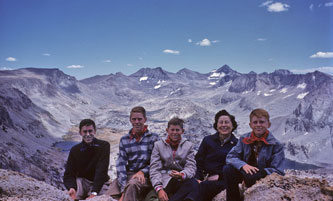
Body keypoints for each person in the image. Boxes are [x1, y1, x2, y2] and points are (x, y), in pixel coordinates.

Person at [223, 108, 285, 201]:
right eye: (255, 122)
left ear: (268, 124)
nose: (258, 125)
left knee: (251, 177)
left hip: (262, 174)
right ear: (250, 125)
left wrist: (262, 172)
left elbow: (279, 170)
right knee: (227, 169)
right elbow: (231, 156)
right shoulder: (244, 138)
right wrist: (243, 165)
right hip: (246, 171)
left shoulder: (276, 145)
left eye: (262, 122)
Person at [107, 106, 160, 201]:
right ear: (130, 120)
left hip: (146, 176)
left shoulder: (154, 138)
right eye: (134, 119)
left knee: (132, 185)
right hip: (129, 174)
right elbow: (121, 163)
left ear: (145, 119)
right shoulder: (124, 139)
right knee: (110, 193)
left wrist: (143, 172)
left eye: (139, 119)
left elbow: (157, 162)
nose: (136, 122)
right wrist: (123, 188)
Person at [149, 117, 198, 201]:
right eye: (172, 130)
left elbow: (191, 167)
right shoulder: (158, 145)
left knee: (193, 183)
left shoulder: (189, 146)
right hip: (163, 181)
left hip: (180, 180)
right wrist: (159, 188)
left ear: (182, 131)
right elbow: (154, 168)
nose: (175, 133)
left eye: (177, 130)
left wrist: (182, 175)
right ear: (167, 130)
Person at [195, 109, 238, 201]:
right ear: (216, 125)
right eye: (220, 122)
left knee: (205, 187)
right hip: (205, 178)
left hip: (224, 180)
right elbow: (199, 161)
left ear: (232, 125)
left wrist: (219, 176)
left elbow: (236, 167)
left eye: (227, 122)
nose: (223, 125)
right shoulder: (207, 140)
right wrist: (198, 178)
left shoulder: (237, 144)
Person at [63, 119, 110, 200]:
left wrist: (94, 192)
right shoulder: (75, 150)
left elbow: (101, 170)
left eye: (90, 131)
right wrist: (71, 187)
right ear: (80, 133)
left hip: (99, 182)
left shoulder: (104, 146)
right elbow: (69, 173)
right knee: (70, 197)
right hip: (82, 182)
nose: (88, 134)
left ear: (95, 131)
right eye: (85, 132)